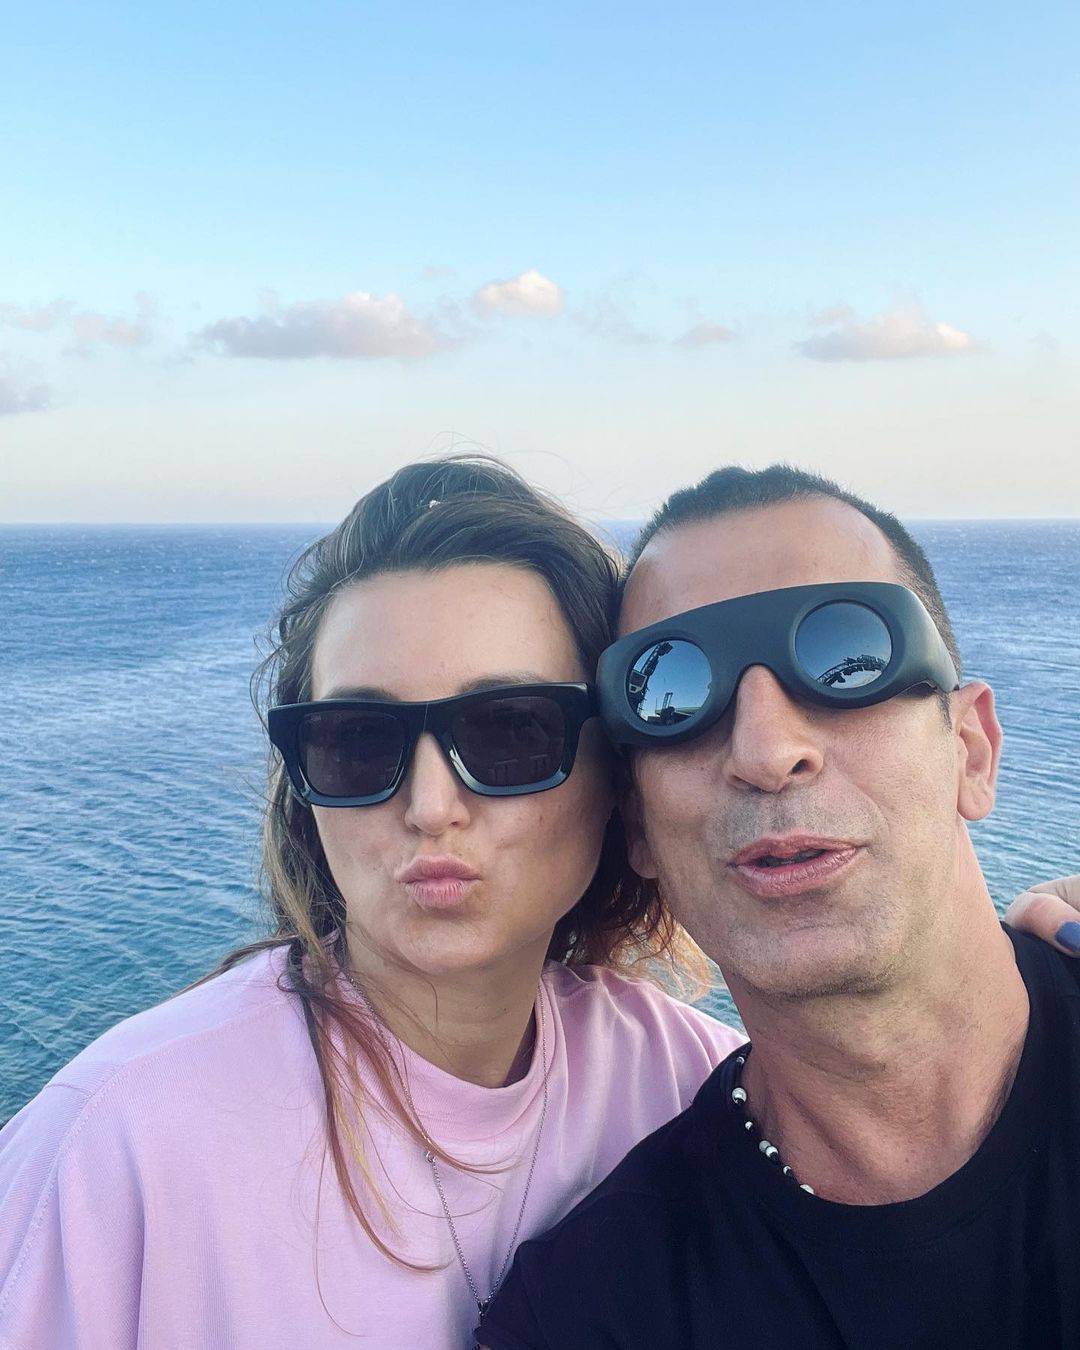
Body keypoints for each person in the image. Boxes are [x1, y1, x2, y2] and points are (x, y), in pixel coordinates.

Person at [0, 456, 1069, 1350]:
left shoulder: (674, 1075)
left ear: (615, 793)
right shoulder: (114, 1145)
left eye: (510, 732)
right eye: (357, 742)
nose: (430, 807)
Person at [480, 465, 1080, 1350]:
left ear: (973, 751)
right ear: (639, 828)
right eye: (672, 697)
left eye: (845, 659)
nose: (765, 751)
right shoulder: (592, 1311)